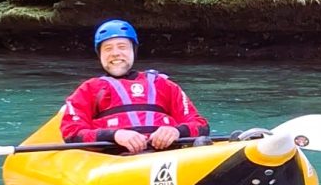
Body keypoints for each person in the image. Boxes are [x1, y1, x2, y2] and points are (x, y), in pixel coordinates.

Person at [60, 19, 210, 154]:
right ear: (100, 55)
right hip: (115, 160)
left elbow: (200, 125)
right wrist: (114, 135)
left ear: (133, 51)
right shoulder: (89, 89)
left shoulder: (164, 85)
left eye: (122, 46)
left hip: (165, 156)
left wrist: (176, 131)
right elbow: (72, 133)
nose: (115, 53)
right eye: (108, 49)